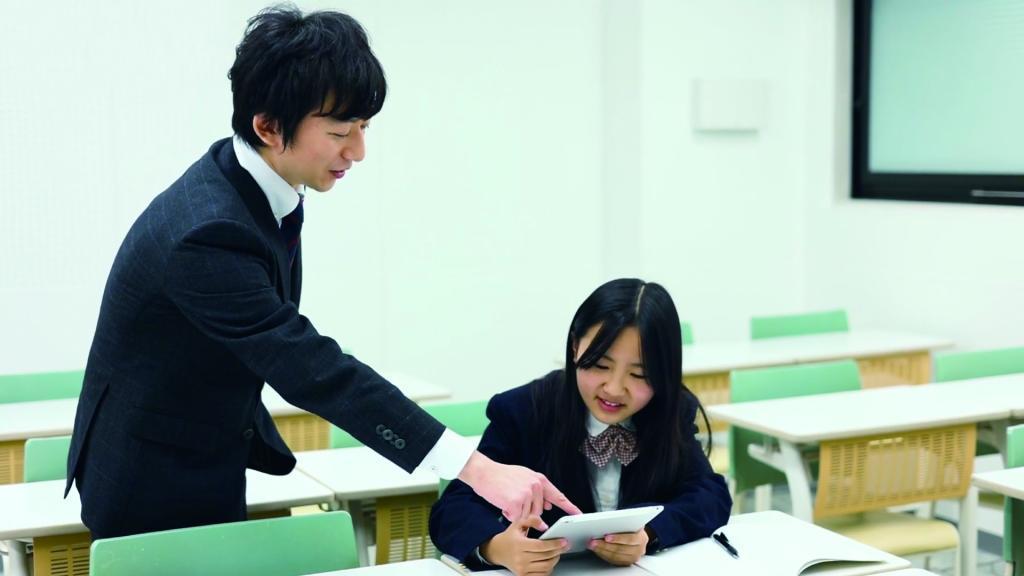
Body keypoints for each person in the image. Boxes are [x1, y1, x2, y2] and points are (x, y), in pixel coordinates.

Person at [65, 5, 579, 539]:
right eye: (340, 132)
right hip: (150, 473)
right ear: (267, 124)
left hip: (204, 442)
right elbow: (309, 366)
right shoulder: (207, 233)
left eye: (362, 127)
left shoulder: (256, 180)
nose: (357, 151)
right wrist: (474, 467)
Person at [430, 278, 731, 575]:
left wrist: (650, 534)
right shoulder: (524, 411)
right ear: (575, 348)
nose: (614, 388)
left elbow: (709, 494)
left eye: (640, 375)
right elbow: (454, 509)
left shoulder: (669, 411)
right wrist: (496, 547)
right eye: (600, 365)